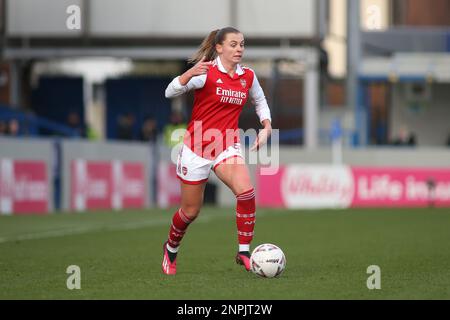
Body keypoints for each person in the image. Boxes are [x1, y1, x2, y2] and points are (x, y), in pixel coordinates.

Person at [162, 27, 272, 275]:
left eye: (242, 44)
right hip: (196, 147)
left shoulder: (248, 76)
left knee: (246, 192)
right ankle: (171, 248)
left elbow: (260, 101)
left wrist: (267, 125)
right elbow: (169, 92)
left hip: (227, 146)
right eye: (233, 44)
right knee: (190, 211)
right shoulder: (206, 72)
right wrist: (189, 73)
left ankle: (244, 251)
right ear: (219, 48)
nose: (239, 49)